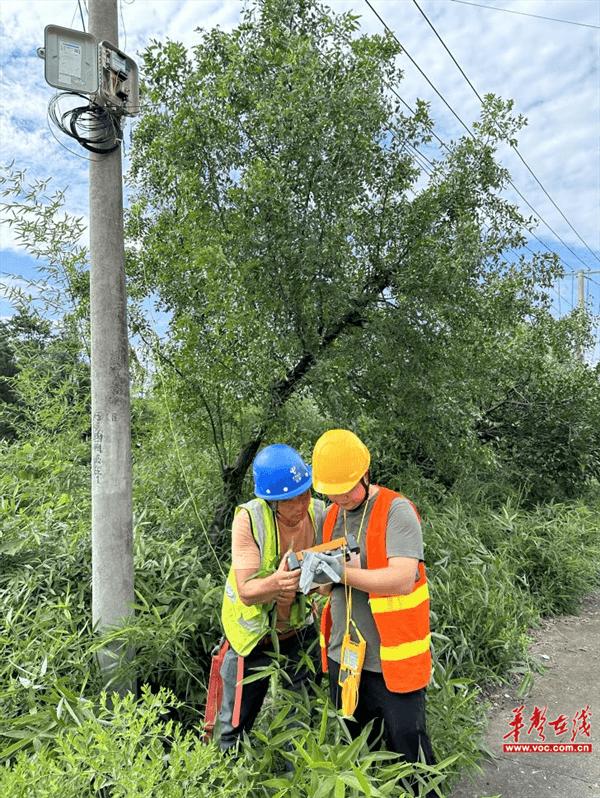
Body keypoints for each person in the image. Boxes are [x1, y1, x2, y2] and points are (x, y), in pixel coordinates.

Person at [311, 429, 436, 772]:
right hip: (345, 655)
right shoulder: (332, 516)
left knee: (409, 752)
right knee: (358, 752)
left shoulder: (396, 510)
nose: (342, 498)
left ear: (366, 472)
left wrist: (343, 572)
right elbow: (328, 587)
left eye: (348, 489)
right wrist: (311, 576)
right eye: (333, 493)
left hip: (391, 659)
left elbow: (400, 579)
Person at [218, 443, 325, 751]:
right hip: (252, 639)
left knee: (301, 716)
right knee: (235, 725)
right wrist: (279, 582)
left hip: (298, 630)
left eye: (306, 492)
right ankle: (229, 780)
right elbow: (248, 591)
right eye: (293, 498)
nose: (303, 503)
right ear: (272, 502)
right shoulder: (249, 519)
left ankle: (298, 780)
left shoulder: (318, 511)